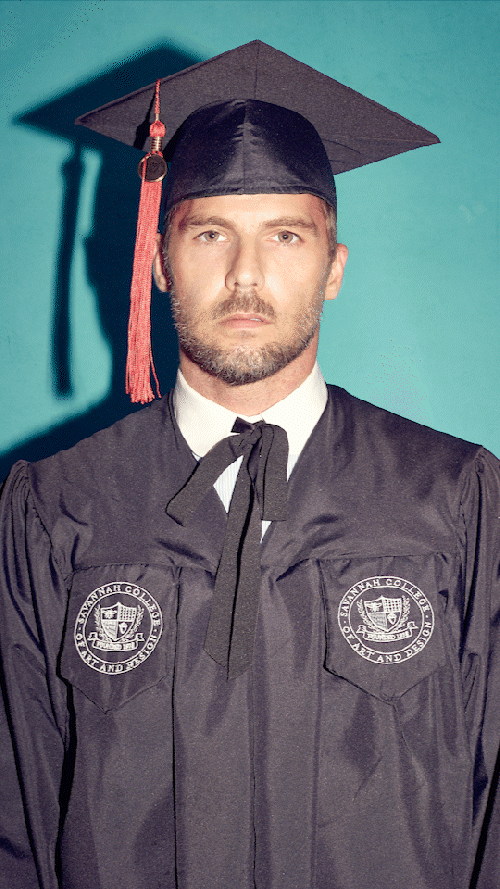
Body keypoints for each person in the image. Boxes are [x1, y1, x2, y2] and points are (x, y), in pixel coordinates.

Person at [0, 41, 498, 889]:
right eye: (210, 234)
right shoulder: (57, 508)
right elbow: (14, 816)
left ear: (333, 268)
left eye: (286, 235)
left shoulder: (452, 499)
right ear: (159, 263)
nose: (247, 274)